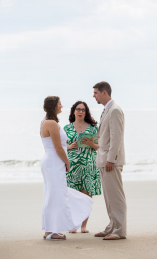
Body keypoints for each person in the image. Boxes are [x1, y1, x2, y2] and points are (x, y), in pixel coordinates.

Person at [40, 96, 93, 240]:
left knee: (54, 194)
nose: (62, 106)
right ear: (54, 106)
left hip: (51, 161)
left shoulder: (47, 121)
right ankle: (52, 230)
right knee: (55, 195)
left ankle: (50, 230)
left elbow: (58, 146)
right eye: (59, 104)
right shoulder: (50, 123)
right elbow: (58, 147)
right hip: (54, 162)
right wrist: (67, 162)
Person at [93, 82, 127, 240]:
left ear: (104, 92)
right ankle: (112, 226)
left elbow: (116, 138)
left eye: (95, 93)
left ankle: (119, 230)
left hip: (110, 161)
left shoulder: (114, 110)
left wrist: (111, 160)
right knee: (108, 197)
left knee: (116, 196)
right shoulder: (107, 110)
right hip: (103, 159)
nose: (94, 96)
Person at [64, 101, 101, 233]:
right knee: (72, 196)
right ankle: (73, 224)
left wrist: (91, 143)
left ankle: (84, 226)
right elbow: (60, 146)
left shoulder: (93, 128)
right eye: (78, 109)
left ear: (86, 112)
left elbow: (98, 147)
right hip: (72, 166)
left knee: (86, 197)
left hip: (88, 165)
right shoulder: (66, 128)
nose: (80, 111)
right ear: (73, 111)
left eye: (83, 110)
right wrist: (69, 147)